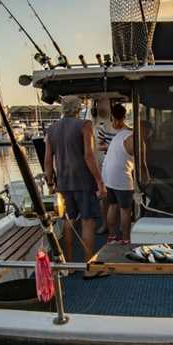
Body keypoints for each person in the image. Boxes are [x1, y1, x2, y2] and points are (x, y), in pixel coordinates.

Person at [44, 95, 107, 277]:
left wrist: (50, 183)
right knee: (88, 222)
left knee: (68, 222)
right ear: (78, 108)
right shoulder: (85, 126)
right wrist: (99, 181)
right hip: (84, 182)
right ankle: (89, 268)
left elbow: (48, 160)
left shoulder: (52, 129)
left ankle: (69, 266)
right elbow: (89, 156)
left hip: (63, 183)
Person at [101, 103, 134, 243]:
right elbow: (140, 161)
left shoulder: (120, 135)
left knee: (113, 205)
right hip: (120, 176)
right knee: (125, 209)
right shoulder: (131, 136)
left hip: (107, 175)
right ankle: (126, 239)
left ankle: (112, 236)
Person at [90, 99, 115, 235]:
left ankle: (109, 227)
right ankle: (107, 226)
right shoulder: (98, 129)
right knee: (106, 199)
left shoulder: (124, 130)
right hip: (104, 166)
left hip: (111, 166)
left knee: (109, 200)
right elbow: (96, 148)